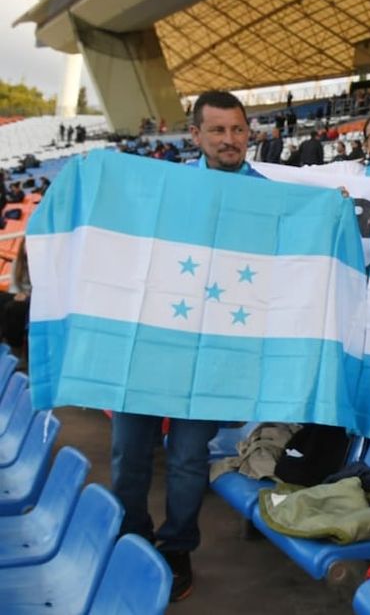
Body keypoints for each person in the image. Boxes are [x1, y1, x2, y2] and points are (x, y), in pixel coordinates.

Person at [114, 91, 264, 606]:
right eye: (217, 131)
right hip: (152, 344)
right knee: (127, 452)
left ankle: (177, 547)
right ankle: (130, 538)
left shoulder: (270, 199)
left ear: (250, 133)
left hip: (213, 354)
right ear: (195, 135)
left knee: (186, 459)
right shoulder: (163, 188)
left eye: (238, 130)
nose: (229, 140)